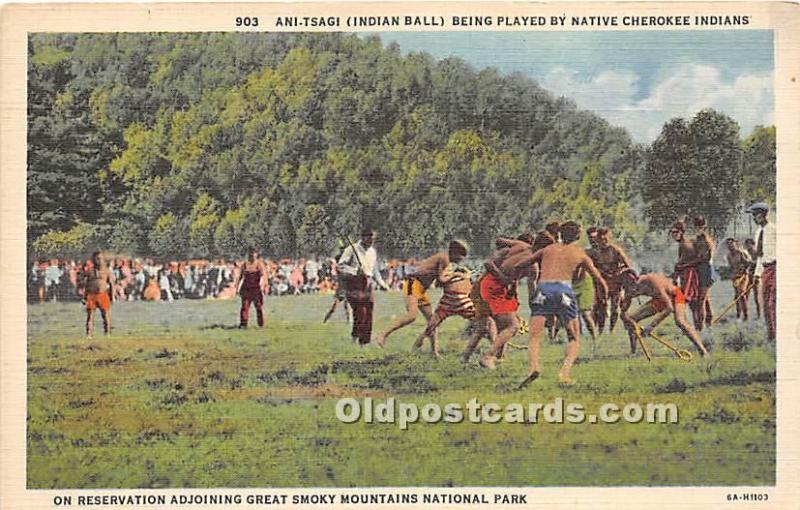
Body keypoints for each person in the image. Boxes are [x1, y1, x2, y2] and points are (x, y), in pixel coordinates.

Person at [519, 221, 608, 386]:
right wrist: (604, 295)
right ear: (578, 236)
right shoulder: (580, 254)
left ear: (560, 234)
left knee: (535, 335)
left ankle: (533, 368)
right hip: (564, 290)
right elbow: (598, 279)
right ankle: (564, 374)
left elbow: (522, 264)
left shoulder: (547, 249)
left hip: (543, 289)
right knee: (574, 337)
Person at [376, 240, 468, 347]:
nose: (462, 259)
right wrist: (456, 275)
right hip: (413, 283)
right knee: (412, 315)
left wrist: (454, 275)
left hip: (421, 288)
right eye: (462, 255)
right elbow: (442, 280)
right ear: (455, 253)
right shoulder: (444, 258)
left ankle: (434, 352)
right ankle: (383, 334)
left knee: (433, 321)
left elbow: (439, 282)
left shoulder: (445, 260)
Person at [619, 269, 709, 357]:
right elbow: (623, 313)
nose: (632, 288)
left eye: (632, 283)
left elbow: (669, 308)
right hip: (659, 300)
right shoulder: (629, 289)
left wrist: (651, 326)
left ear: (636, 279)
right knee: (633, 319)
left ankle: (703, 351)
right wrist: (628, 320)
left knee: (680, 321)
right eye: (627, 285)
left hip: (675, 295)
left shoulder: (651, 280)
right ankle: (633, 352)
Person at [413, 264, 475, 358]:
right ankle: (421, 348)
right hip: (447, 305)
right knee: (431, 327)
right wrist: (455, 275)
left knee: (483, 324)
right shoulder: (448, 278)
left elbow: (472, 292)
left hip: (463, 305)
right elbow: (438, 283)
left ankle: (492, 346)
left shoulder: (467, 281)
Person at [338, 230, 389, 345]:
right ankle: (355, 337)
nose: (371, 242)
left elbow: (374, 270)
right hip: (354, 283)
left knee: (369, 312)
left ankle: (364, 342)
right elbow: (341, 266)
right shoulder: (352, 249)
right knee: (360, 312)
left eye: (373, 239)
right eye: (369, 239)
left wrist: (381, 283)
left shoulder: (372, 251)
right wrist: (355, 270)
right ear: (363, 237)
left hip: (368, 283)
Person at [589, 228, 632, 333]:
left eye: (606, 239)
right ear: (598, 240)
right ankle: (599, 330)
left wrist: (620, 272)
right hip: (602, 283)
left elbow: (628, 266)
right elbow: (590, 267)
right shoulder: (594, 252)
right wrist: (600, 272)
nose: (604, 242)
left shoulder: (615, 250)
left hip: (615, 283)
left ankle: (611, 330)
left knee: (615, 308)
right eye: (601, 239)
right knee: (600, 307)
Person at [748, 203, 776, 341]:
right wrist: (757, 274)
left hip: (776, 268)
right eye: (753, 215)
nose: (754, 218)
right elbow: (760, 256)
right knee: (765, 304)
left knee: (773, 303)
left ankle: (778, 335)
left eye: (755, 215)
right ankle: (771, 335)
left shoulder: (774, 230)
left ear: (763, 214)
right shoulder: (758, 232)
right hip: (765, 270)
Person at [78, 252, 115, 338]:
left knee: (106, 315)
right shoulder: (90, 271)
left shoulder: (107, 271)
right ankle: (89, 334)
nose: (99, 261)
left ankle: (108, 334)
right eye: (97, 259)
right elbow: (87, 284)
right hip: (91, 295)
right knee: (90, 316)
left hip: (103, 294)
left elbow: (112, 284)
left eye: (101, 258)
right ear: (94, 260)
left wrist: (112, 296)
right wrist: (84, 297)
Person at [236, 248, 267, 328]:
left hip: (256, 288)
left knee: (259, 307)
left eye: (254, 254)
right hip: (246, 288)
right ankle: (243, 324)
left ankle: (261, 324)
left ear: (256, 255)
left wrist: (262, 286)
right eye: (251, 254)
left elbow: (263, 276)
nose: (252, 256)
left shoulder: (259, 264)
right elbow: (240, 277)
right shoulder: (245, 264)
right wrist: (237, 288)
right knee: (245, 307)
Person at [725, 238, 752, 321]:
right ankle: (738, 314)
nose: (731, 246)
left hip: (743, 276)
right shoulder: (729, 256)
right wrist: (730, 275)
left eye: (732, 244)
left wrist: (745, 269)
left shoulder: (741, 253)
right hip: (735, 277)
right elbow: (731, 267)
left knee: (741, 293)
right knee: (737, 296)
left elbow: (749, 263)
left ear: (735, 244)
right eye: (729, 245)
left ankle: (746, 315)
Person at [743, 238, 763, 320]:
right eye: (746, 245)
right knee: (745, 295)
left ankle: (759, 314)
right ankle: (745, 314)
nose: (748, 246)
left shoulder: (757, 253)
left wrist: (757, 276)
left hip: (756, 277)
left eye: (749, 244)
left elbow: (760, 266)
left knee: (756, 296)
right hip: (748, 277)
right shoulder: (746, 253)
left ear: (753, 244)